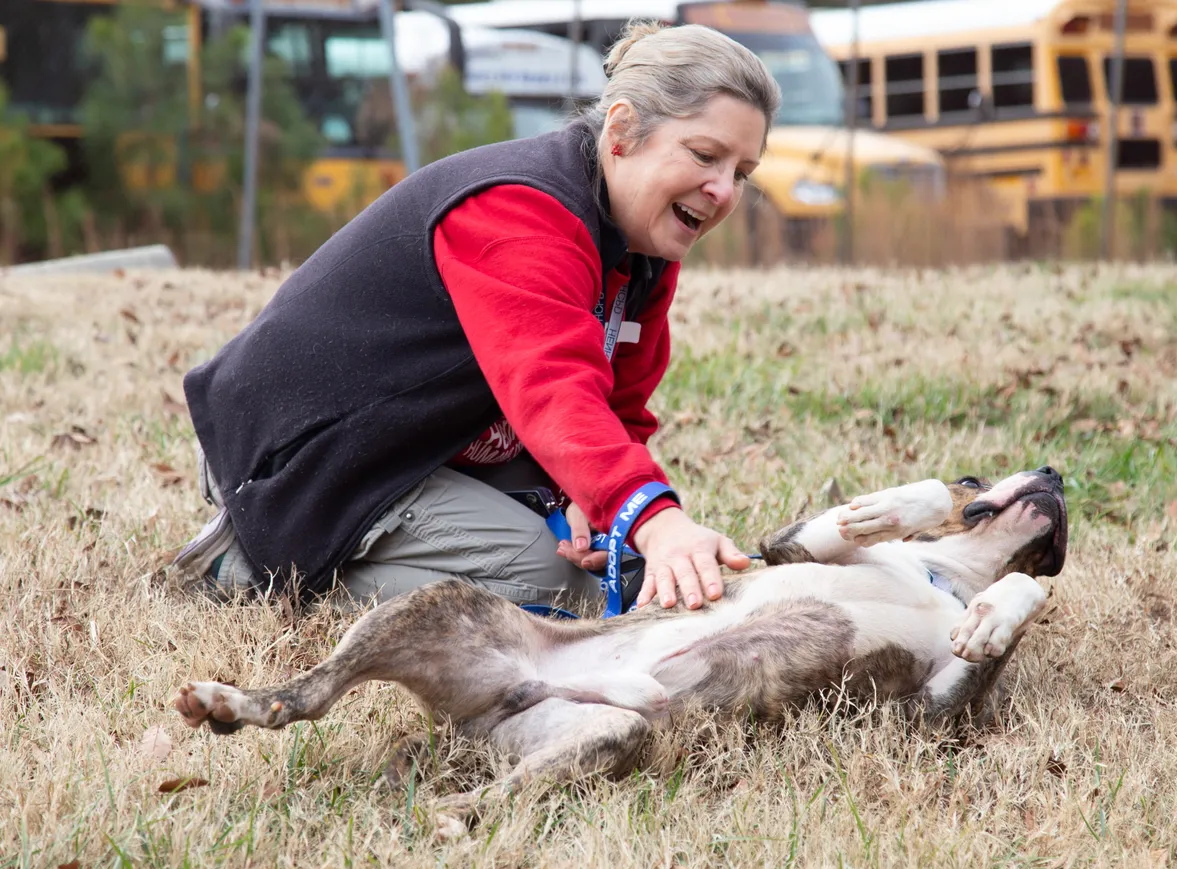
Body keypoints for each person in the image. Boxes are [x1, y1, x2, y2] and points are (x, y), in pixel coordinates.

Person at [173, 21, 782, 615]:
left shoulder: (643, 242)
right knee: (564, 586)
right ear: (621, 129)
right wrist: (651, 518)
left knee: (621, 561)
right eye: (705, 155)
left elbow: (617, 404)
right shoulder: (518, 211)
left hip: (423, 436)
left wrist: (588, 498)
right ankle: (257, 567)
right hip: (308, 451)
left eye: (742, 174)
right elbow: (553, 386)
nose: (724, 191)